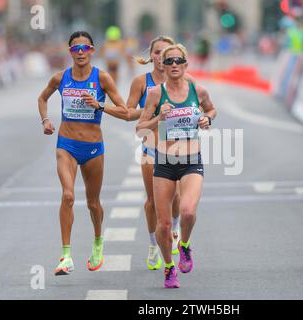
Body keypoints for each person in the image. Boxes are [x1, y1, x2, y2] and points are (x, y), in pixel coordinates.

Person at [38, 31, 129, 276]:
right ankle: (66, 255)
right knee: (68, 196)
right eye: (75, 48)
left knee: (92, 203)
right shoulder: (60, 78)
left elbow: (124, 110)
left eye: (85, 48)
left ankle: (98, 240)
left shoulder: (103, 79)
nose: (80, 52)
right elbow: (42, 97)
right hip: (66, 144)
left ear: (92, 51)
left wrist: (99, 105)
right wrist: (46, 120)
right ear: (69, 52)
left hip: (93, 147)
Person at [136, 44, 217, 288]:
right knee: (164, 224)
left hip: (192, 160)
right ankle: (169, 268)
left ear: (185, 64)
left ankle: (184, 245)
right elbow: (140, 129)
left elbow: (212, 109)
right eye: (168, 61)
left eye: (177, 61)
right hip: (165, 161)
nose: (172, 65)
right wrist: (158, 118)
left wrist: (207, 118)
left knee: (188, 211)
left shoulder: (198, 90)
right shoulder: (156, 94)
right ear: (162, 64)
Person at [126, 36, 195, 271]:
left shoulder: (183, 81)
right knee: (153, 202)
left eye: (166, 53)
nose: (161, 57)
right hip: (149, 147)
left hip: (174, 149)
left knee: (175, 198)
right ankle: (153, 244)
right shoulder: (141, 82)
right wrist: (151, 112)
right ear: (153, 56)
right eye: (157, 52)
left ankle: (174, 229)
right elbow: (129, 113)